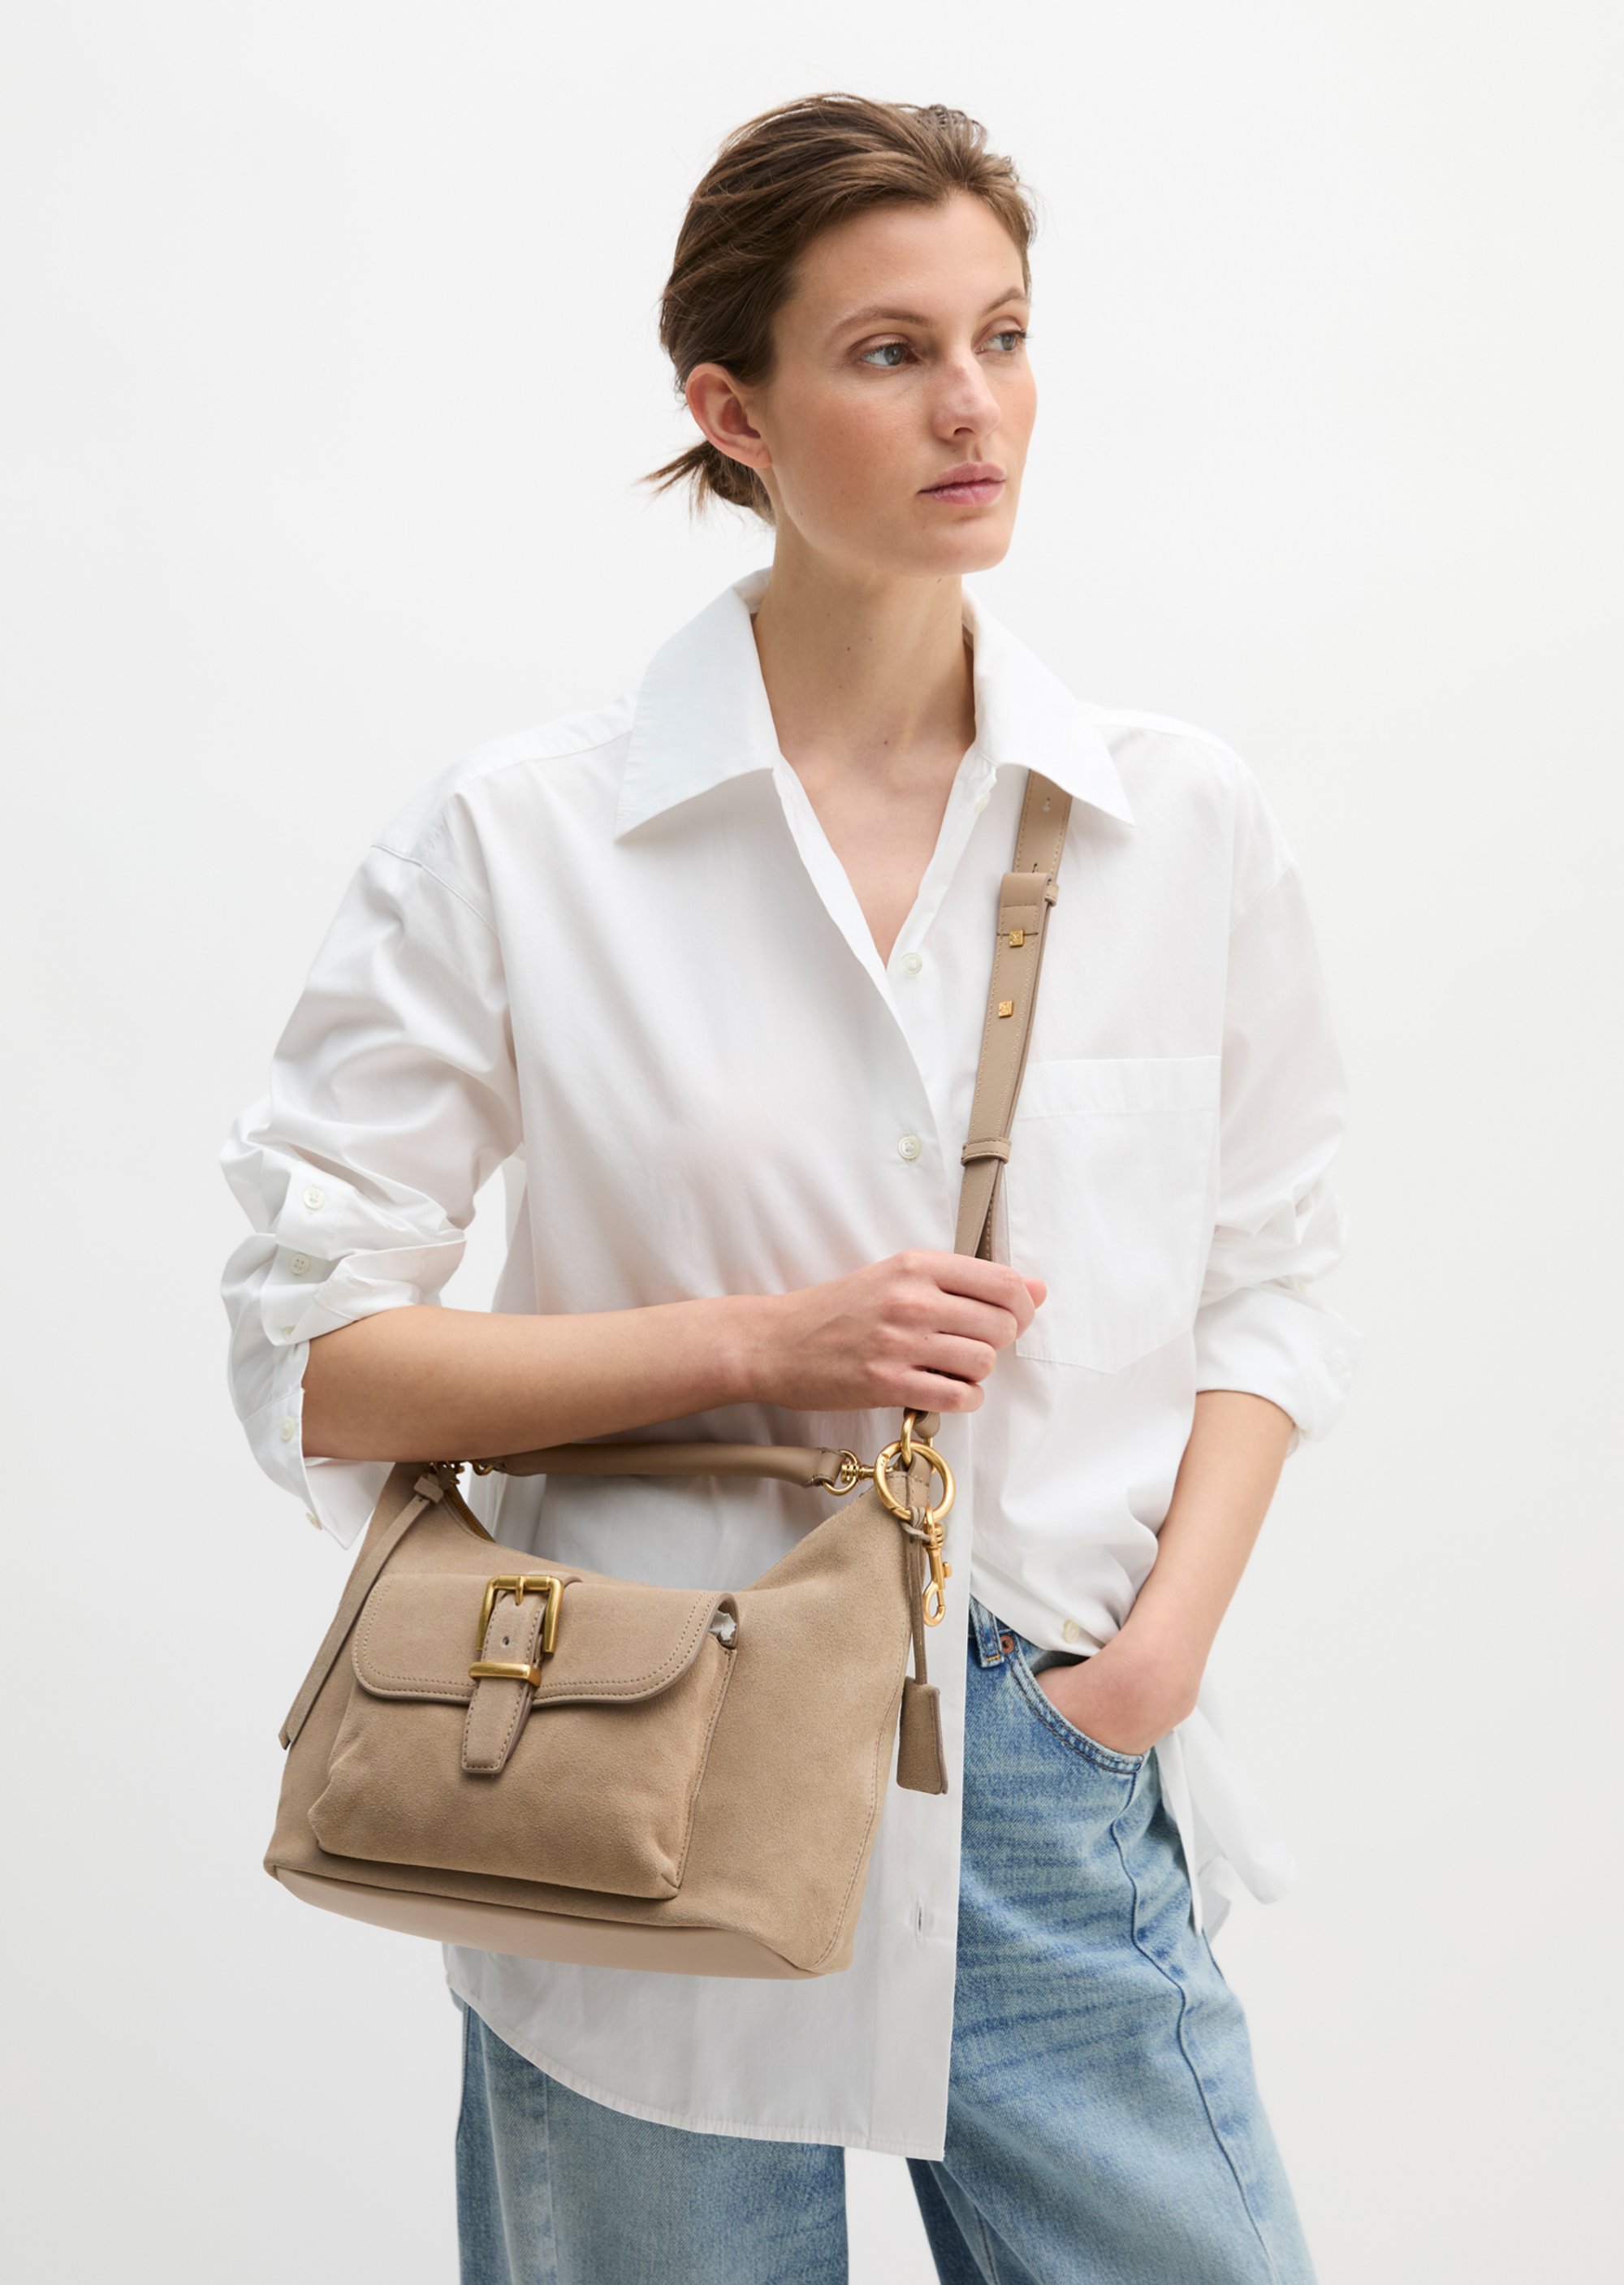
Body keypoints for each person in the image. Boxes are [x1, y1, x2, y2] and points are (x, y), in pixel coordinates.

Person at [222, 91, 1358, 2285]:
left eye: (1003, 336)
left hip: (1045, 1757)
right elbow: (320, 1354)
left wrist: (1147, 1665)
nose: (972, 406)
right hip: (634, 1757)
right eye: (888, 352)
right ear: (728, 412)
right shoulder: (524, 841)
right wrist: (767, 1341)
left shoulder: (1181, 825)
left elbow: (1274, 1276)